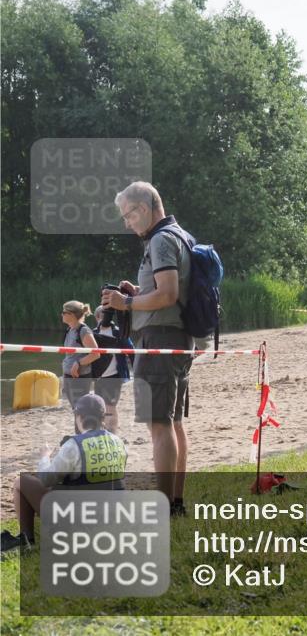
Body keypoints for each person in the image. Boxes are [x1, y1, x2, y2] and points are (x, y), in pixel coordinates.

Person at [101, 181, 193, 516]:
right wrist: (138, 291)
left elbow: (167, 294)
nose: (127, 223)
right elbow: (168, 292)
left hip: (160, 340)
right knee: (173, 422)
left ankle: (166, 505)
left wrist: (126, 302)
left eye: (128, 215)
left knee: (159, 424)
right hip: (178, 338)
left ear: (143, 208)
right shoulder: (179, 234)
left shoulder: (160, 239)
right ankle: (176, 502)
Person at [0, 394, 127, 554]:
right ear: (103, 417)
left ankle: (27, 541)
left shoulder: (74, 445)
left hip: (82, 525)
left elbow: (46, 479)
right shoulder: (119, 442)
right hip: (110, 521)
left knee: (21, 482)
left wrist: (45, 457)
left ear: (78, 416)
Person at [59, 300, 101, 429]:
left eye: (64, 312)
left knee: (80, 409)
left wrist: (79, 363)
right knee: (76, 408)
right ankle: (80, 435)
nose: (61, 314)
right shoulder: (70, 329)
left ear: (72, 314)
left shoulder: (83, 330)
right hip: (68, 375)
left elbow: (96, 353)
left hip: (80, 377)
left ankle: (84, 435)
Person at [91, 305, 132, 434]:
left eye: (108, 315)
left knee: (110, 406)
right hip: (98, 376)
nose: (106, 318)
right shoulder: (93, 333)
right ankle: (102, 432)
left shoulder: (118, 332)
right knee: (100, 407)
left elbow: (132, 350)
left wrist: (138, 368)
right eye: (103, 315)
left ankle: (113, 433)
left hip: (114, 375)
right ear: (97, 317)